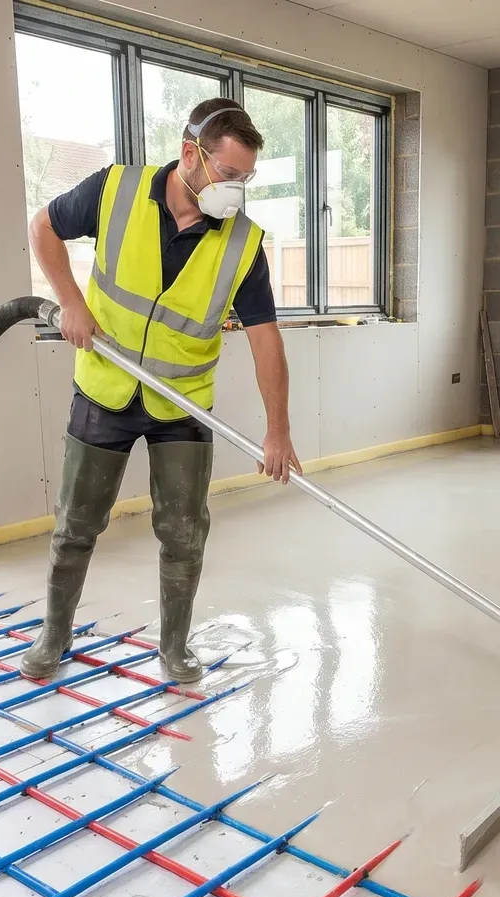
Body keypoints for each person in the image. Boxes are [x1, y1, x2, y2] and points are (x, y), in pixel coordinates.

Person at [20, 97, 302, 684]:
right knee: (76, 526)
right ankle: (54, 636)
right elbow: (42, 227)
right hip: (104, 389)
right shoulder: (115, 190)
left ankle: (174, 645)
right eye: (228, 175)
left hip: (182, 405)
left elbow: (266, 341)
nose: (237, 189)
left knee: (183, 532)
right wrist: (70, 303)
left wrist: (278, 431)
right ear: (190, 155)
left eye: (246, 179)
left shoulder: (243, 244)